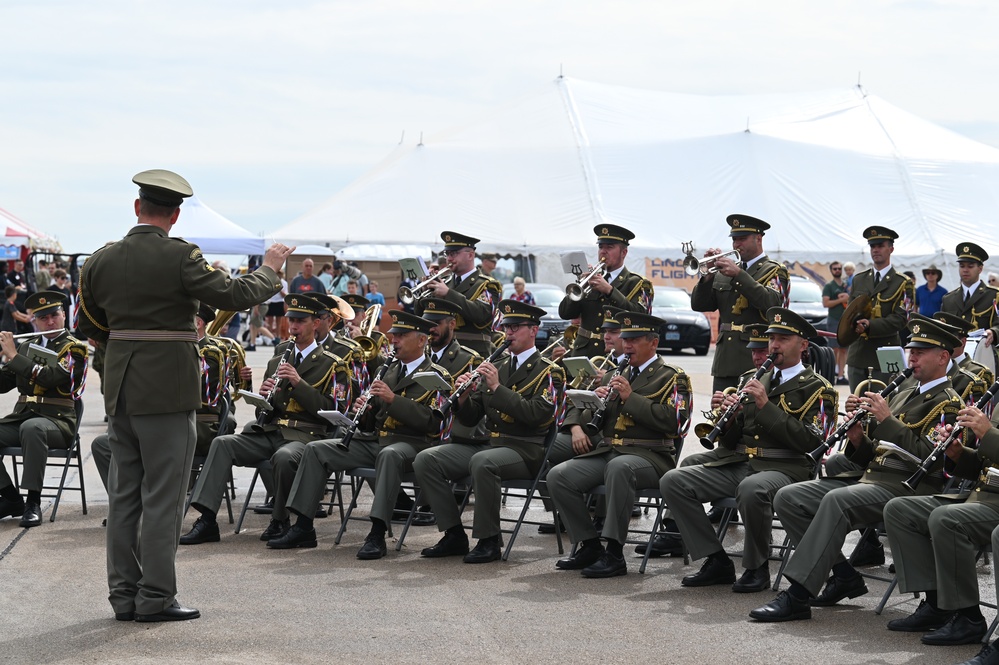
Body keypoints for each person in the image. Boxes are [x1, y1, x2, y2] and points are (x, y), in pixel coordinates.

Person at [77, 169, 290, 623]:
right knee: (164, 498)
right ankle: (154, 596)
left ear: (137, 208)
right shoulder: (181, 256)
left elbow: (89, 326)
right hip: (168, 390)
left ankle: (123, 597)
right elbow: (232, 293)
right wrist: (271, 267)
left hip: (120, 391)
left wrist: (125, 346)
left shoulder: (100, 260)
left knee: (124, 497)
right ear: (174, 215)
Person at [748, 317, 964, 622]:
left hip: (910, 487)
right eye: (910, 350)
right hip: (871, 480)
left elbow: (936, 461)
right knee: (789, 497)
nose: (911, 357)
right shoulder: (903, 394)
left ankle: (797, 595)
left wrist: (888, 421)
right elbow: (870, 457)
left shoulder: (949, 403)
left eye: (920, 352)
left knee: (837, 501)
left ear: (943, 357)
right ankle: (843, 573)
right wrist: (858, 437)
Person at [659, 307, 837, 593]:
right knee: (674, 481)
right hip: (743, 462)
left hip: (786, 467)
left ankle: (756, 568)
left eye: (783, 338)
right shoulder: (751, 379)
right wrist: (727, 420)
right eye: (772, 339)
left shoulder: (819, 389)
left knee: (752, 489)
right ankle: (715, 559)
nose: (774, 345)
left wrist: (766, 407)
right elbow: (731, 443)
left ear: (803, 346)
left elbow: (812, 443)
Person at [267, 310, 451, 556]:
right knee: (316, 450)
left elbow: (433, 424)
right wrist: (362, 412)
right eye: (393, 335)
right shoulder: (388, 370)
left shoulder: (437, 375)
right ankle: (303, 526)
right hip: (376, 441)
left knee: (390, 455)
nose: (393, 341)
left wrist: (392, 400)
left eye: (401, 335)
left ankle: (377, 533)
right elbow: (370, 423)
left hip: (414, 444)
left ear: (421, 340)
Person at [181, 294, 351, 545]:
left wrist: (297, 383)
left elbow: (335, 412)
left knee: (283, 458)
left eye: (300, 321)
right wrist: (264, 398)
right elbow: (265, 414)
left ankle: (280, 520)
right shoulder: (278, 359)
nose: (293, 327)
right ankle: (207, 520)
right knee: (223, 444)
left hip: (307, 434)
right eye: (290, 320)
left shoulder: (334, 364)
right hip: (271, 431)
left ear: (316, 324)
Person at [413, 299, 568, 562]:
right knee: (427, 459)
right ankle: (453, 533)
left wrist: (497, 388)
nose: (508, 333)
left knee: (483, 462)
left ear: (534, 330)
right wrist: (461, 399)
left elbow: (537, 416)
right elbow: (474, 417)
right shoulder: (500, 366)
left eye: (516, 327)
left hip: (526, 449)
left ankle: (489, 539)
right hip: (491, 445)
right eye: (506, 327)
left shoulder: (550, 372)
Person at [548, 312, 690, 578]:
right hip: (611, 451)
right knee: (559, 476)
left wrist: (630, 397)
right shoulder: (615, 373)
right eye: (626, 339)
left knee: (619, 467)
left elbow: (677, 423)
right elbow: (597, 422)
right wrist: (596, 402)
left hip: (650, 455)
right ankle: (589, 544)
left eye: (635, 340)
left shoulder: (672, 377)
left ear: (654, 343)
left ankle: (614, 552)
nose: (627, 346)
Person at [881, 401, 999, 651]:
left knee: (946, 518)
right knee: (900, 510)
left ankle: (968, 617)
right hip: (980, 497)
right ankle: (937, 605)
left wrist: (988, 435)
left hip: (992, 504)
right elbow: (986, 466)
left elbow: (993, 445)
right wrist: (958, 454)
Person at [91, 304, 236, 488]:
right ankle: (126, 507)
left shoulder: (211, 354)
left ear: (198, 323)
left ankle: (148, 503)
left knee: (149, 446)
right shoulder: (173, 350)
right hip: (164, 422)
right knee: (103, 445)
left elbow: (192, 390)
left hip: (197, 424)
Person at [0, 291, 88, 527]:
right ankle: (10, 497)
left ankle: (33, 502)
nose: (49, 322)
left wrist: (14, 356)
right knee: (28, 425)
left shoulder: (75, 349)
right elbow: (4, 384)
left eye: (54, 315)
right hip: (24, 417)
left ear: (63, 315)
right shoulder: (27, 346)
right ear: (34, 321)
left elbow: (50, 378)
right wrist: (7, 358)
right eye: (43, 318)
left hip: (58, 422)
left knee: (32, 428)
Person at [690, 215, 789, 392]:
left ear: (758, 239)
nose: (737, 245)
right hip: (725, 360)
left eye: (742, 239)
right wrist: (708, 276)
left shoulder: (774, 270)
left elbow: (772, 304)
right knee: (720, 411)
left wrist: (739, 275)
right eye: (734, 239)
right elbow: (699, 305)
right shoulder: (724, 271)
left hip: (755, 356)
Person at [558, 224, 653, 360]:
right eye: (601, 247)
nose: (603, 251)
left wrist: (610, 291)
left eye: (610, 247)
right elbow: (565, 313)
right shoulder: (590, 280)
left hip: (616, 354)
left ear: (624, 253)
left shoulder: (637, 283)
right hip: (583, 352)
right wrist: (580, 284)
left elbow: (641, 317)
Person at [844, 226, 913, 392]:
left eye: (880, 246)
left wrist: (870, 325)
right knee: (857, 408)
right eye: (872, 246)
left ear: (891, 249)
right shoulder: (860, 279)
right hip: (858, 354)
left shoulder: (903, 283)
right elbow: (850, 312)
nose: (875, 250)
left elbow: (901, 319)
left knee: (883, 408)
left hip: (886, 355)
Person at [417, 231, 502, 356]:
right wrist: (425, 292)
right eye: (447, 254)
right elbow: (420, 315)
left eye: (454, 253)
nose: (449, 258)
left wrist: (448, 294)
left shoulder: (487, 284)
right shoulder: (445, 282)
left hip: (473, 353)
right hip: (441, 352)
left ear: (470, 255)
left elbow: (481, 315)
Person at [940, 242, 999, 341]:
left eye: (970, 266)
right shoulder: (948, 299)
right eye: (962, 266)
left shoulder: (994, 296)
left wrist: (993, 332)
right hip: (956, 354)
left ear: (980, 269)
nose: (965, 270)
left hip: (984, 352)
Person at [821, 261, 850, 385]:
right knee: (834, 349)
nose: (837, 270)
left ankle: (841, 375)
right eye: (835, 269)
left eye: (839, 268)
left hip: (845, 320)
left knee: (843, 349)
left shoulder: (846, 285)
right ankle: (831, 374)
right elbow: (826, 303)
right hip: (833, 320)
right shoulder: (829, 286)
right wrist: (841, 300)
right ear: (831, 270)